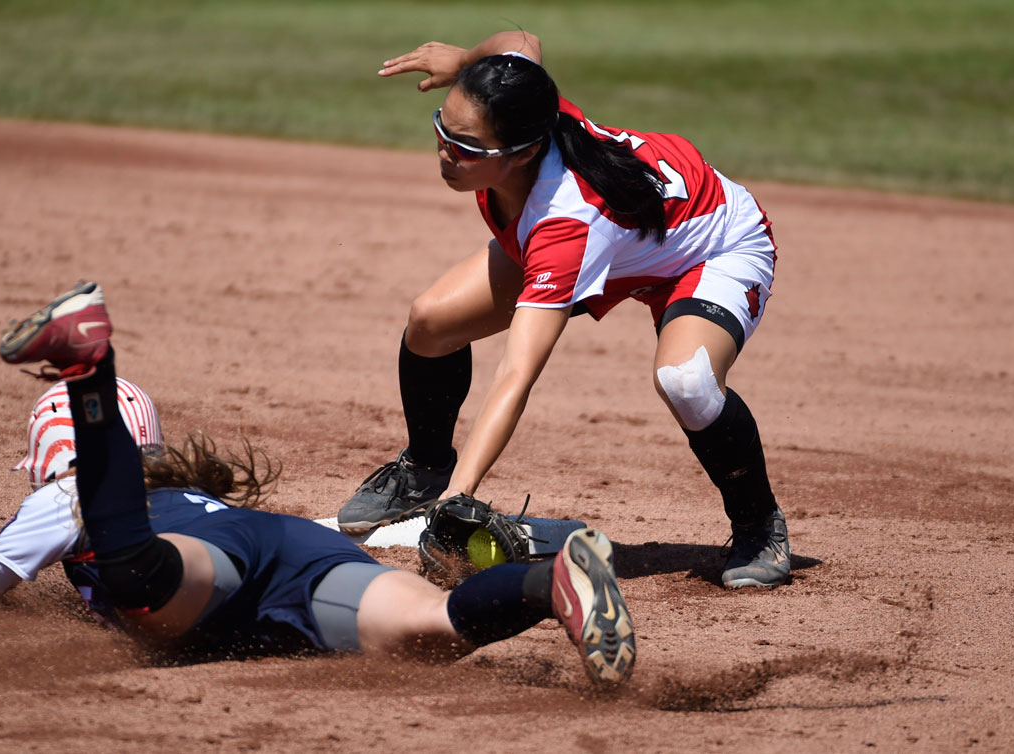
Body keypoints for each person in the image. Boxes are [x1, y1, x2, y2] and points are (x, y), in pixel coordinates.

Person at [0, 282, 636, 684]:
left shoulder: (62, 496)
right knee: (434, 632)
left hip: (207, 564)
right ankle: (550, 584)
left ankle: (86, 365)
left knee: (136, 576)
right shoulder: (188, 490)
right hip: (285, 557)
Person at [334, 31, 790, 589]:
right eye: (441, 130)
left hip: (714, 246)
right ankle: (425, 469)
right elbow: (522, 40)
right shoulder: (519, 102)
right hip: (626, 235)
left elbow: (517, 373)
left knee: (686, 380)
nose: (446, 153)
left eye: (467, 147)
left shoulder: (565, 222)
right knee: (432, 321)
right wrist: (466, 62)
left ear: (524, 152)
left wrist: (464, 498)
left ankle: (758, 525)